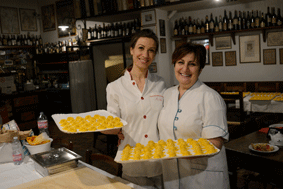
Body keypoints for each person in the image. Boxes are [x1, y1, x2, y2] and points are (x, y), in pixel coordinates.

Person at [158, 43, 230, 189]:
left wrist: (179, 152)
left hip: (202, 177)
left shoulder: (210, 97)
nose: (185, 69)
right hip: (171, 174)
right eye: (180, 62)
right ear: (174, 65)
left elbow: (215, 143)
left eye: (192, 64)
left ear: (200, 69)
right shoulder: (167, 94)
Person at [102, 29, 166, 189]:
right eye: (141, 48)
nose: (146, 54)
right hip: (133, 162)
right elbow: (113, 121)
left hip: (160, 162)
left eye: (151, 50)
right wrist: (108, 129)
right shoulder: (115, 87)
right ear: (131, 50)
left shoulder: (161, 84)